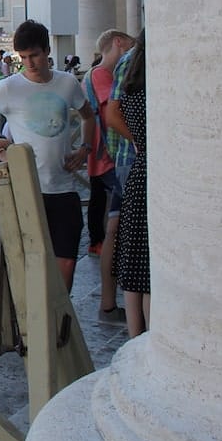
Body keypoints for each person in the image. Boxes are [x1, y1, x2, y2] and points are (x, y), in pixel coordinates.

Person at [0, 19, 95, 292]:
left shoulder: (67, 83)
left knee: (67, 260)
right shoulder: (10, 86)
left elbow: (88, 117)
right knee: (28, 260)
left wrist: (85, 149)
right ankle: (33, 324)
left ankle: (60, 317)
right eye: (23, 57)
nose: (29, 63)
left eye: (34, 55)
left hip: (64, 185)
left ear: (47, 51)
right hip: (26, 187)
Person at [83, 28, 135, 323]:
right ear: (119, 42)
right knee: (116, 229)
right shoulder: (102, 74)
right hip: (113, 159)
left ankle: (109, 303)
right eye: (129, 44)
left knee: (112, 225)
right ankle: (112, 301)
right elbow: (110, 115)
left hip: (107, 159)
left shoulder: (94, 73)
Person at [107, 30, 149, 337]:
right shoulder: (154, 92)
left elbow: (113, 112)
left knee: (134, 262)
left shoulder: (131, 90)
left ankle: (136, 338)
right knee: (147, 270)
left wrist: (138, 141)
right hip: (149, 171)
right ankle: (150, 339)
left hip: (138, 172)